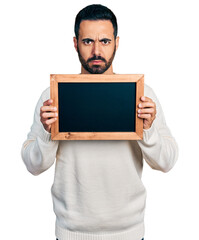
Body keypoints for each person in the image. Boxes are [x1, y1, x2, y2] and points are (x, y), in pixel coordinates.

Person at [21, 4, 178, 240]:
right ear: (75, 44)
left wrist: (148, 129)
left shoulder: (142, 95)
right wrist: (47, 132)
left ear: (116, 42)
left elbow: (167, 161)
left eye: (104, 41)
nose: (96, 51)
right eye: (87, 42)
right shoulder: (53, 96)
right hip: (71, 233)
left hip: (130, 233)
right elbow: (33, 166)